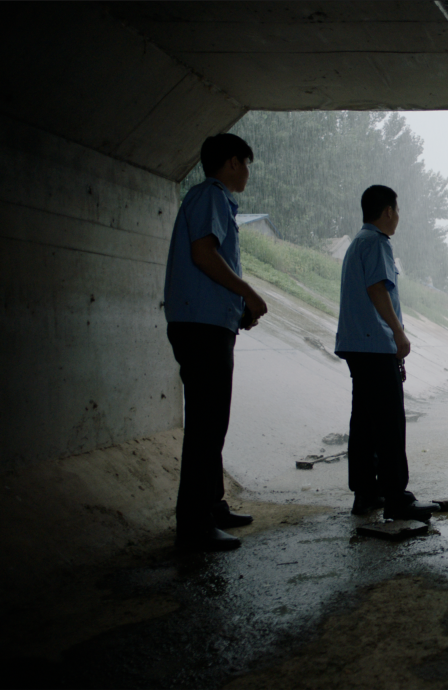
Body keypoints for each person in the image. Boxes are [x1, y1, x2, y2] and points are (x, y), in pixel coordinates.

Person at [164, 133, 269, 551]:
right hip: (201, 327)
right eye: (246, 164)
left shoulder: (211, 199)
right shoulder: (211, 195)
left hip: (206, 322)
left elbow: (208, 266)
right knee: (206, 425)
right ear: (232, 162)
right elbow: (204, 254)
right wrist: (248, 293)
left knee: (211, 421)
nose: (247, 173)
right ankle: (194, 524)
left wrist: (236, 310)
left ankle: (211, 506)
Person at [335, 185, 438, 522]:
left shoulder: (358, 243)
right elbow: (377, 289)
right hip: (375, 344)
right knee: (390, 422)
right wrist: (398, 333)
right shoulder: (378, 243)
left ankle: (365, 492)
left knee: (365, 422)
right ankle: (396, 497)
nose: (399, 218)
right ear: (389, 211)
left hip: (357, 344)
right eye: (398, 210)